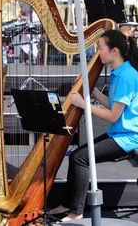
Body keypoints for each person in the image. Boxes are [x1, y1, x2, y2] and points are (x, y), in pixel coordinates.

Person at [50, 29, 138, 221]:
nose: (98, 52)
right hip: (118, 133)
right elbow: (113, 104)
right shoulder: (119, 72)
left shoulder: (127, 76)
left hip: (128, 137)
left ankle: (76, 211)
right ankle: (66, 204)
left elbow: (114, 116)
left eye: (100, 48)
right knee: (76, 155)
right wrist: (93, 91)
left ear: (114, 51)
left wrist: (84, 105)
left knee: (81, 158)